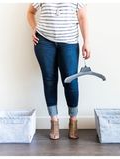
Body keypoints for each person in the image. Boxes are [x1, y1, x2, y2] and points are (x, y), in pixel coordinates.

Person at [27, 2, 90, 140]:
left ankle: (73, 120)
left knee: (71, 81)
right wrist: (34, 27)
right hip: (43, 42)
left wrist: (87, 41)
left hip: (69, 43)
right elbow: (30, 12)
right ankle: (54, 121)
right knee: (49, 80)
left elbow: (82, 17)